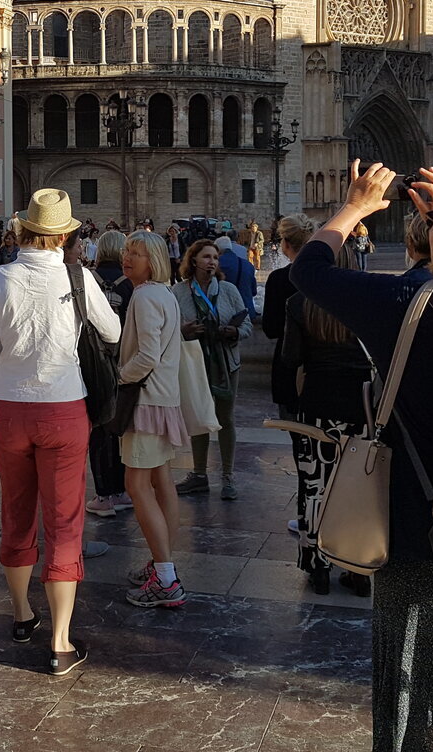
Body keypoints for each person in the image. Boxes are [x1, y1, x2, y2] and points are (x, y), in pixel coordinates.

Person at [288, 161, 433, 751]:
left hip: (417, 519)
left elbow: (309, 270)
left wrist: (354, 206)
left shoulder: (405, 302)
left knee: (408, 679)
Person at [0, 189, 120, 677]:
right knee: (64, 520)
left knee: (16, 510)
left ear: (24, 230)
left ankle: (21, 615)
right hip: (63, 406)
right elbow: (113, 332)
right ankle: (59, 642)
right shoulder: (79, 277)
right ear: (64, 235)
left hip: (10, 408)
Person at [282, 242, 373, 596]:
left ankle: (317, 566)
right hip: (362, 405)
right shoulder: (367, 300)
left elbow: (291, 358)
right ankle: (357, 568)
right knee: (359, 488)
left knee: (314, 485)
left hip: (318, 402)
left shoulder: (299, 303)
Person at [119, 230, 188, 607]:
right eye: (127, 251)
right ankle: (163, 562)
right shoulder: (165, 294)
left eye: (138, 253)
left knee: (137, 486)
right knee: (162, 482)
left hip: (145, 400)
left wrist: (119, 376)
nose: (128, 258)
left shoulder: (144, 296)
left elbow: (147, 355)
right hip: (164, 398)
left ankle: (165, 578)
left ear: (155, 261)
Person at [172, 239, 252, 499]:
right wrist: (184, 331)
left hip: (226, 363)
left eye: (215, 258)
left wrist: (234, 332)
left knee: (225, 418)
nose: (212, 262)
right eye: (207, 257)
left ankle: (228, 475)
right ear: (193, 260)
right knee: (199, 417)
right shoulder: (178, 292)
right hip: (195, 363)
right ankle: (199, 474)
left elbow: (247, 325)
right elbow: (169, 327)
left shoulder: (228, 290)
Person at [261, 214, 317, 533]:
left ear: (284, 244)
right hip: (323, 370)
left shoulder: (280, 279)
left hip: (289, 367)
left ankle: (306, 514)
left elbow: (270, 328)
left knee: (300, 447)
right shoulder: (327, 276)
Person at [85, 230, 134, 517]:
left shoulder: (87, 279)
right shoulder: (129, 284)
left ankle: (103, 494)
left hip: (93, 362)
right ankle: (121, 490)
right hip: (123, 361)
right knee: (120, 428)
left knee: (98, 429)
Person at [215, 235, 257, 319]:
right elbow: (254, 291)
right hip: (247, 312)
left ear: (218, 251)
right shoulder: (248, 265)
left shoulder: (216, 265)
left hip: (226, 314)